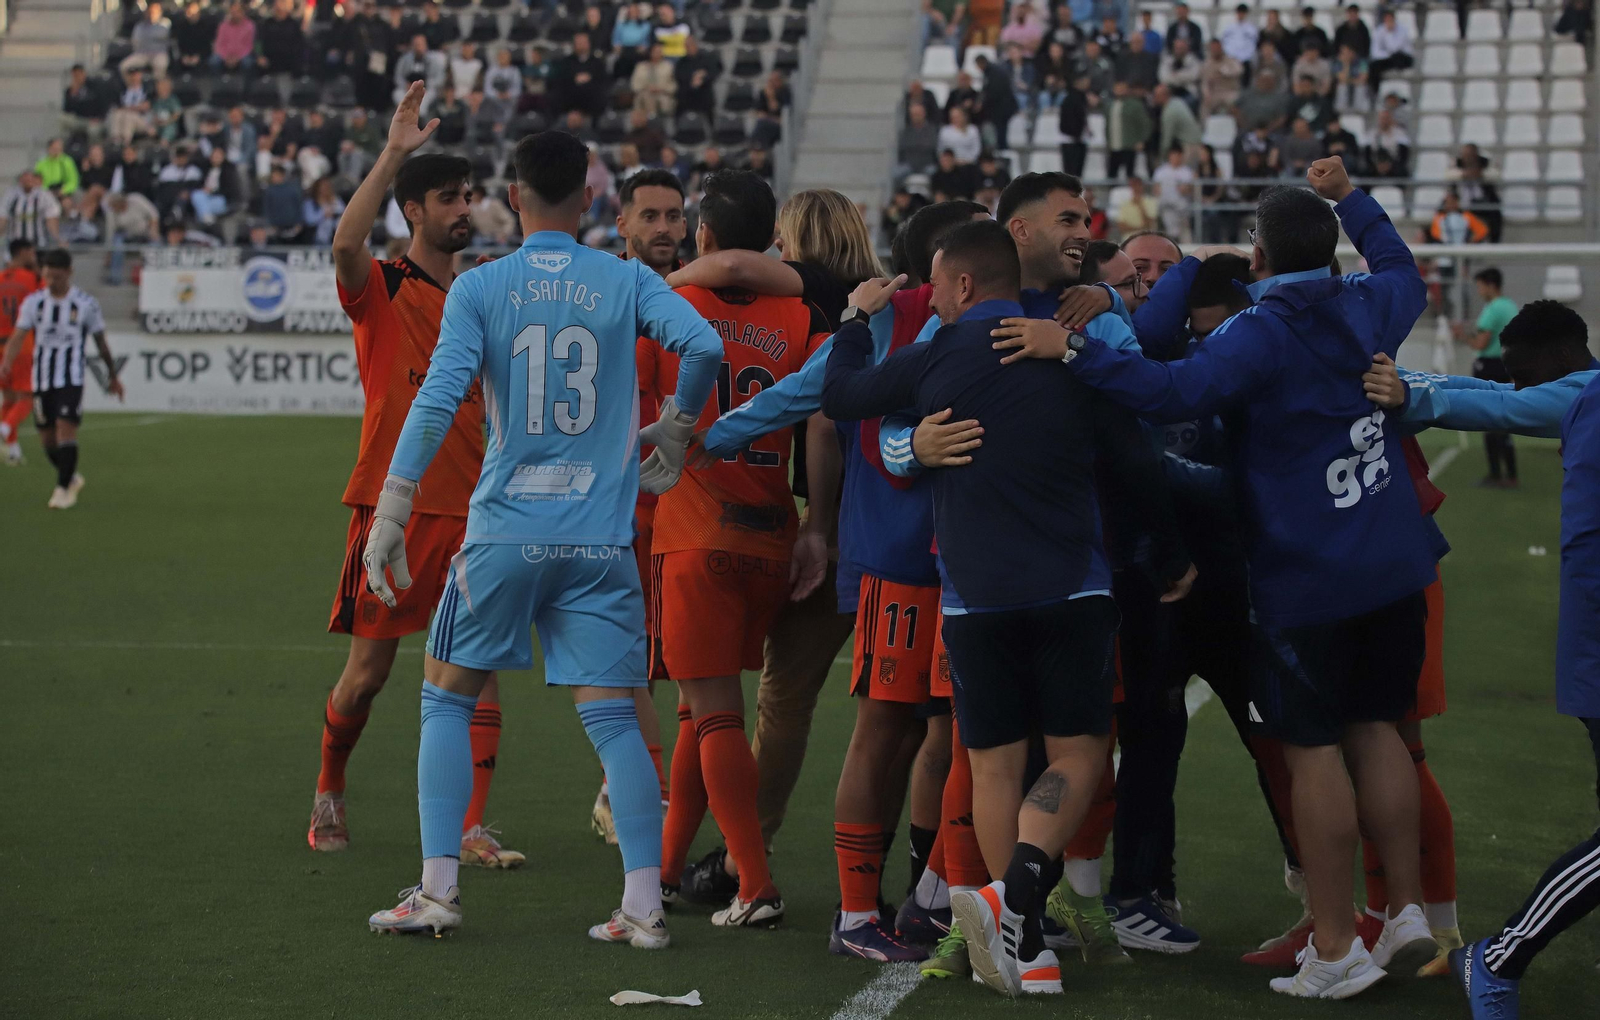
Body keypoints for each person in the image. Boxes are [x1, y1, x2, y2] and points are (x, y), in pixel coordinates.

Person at [990, 157, 1440, 999]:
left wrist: (1074, 346)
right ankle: (1408, 910)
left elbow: (1167, 392)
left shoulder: (1256, 332)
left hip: (1306, 575)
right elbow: (1401, 265)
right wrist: (1353, 198)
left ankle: (1338, 948)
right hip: (1391, 556)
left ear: (1258, 259)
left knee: (1312, 755)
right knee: (1380, 730)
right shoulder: (1375, 300)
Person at [361, 128, 722, 946]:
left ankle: (439, 891)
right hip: (598, 540)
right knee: (616, 723)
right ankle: (642, 906)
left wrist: (393, 509)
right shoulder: (625, 278)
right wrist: (676, 428)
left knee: (444, 696)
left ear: (513, 197)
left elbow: (438, 396)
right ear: (591, 200)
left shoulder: (481, 288)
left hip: (504, 533)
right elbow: (702, 343)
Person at [821, 219, 1191, 997]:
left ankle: (1021, 939)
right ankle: (1019, 896)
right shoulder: (1064, 349)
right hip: (1072, 591)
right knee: (1079, 755)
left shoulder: (935, 356)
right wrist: (1168, 550)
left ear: (959, 285)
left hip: (972, 601)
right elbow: (1137, 458)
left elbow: (843, 395)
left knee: (992, 767)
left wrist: (856, 320)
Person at [304, 84, 521, 872]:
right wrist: (394, 151)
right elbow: (342, 246)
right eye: (446, 197)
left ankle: (469, 826)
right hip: (394, 509)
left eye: (468, 194)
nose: (464, 207)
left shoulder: (484, 296)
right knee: (367, 674)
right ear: (412, 212)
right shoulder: (386, 290)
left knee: (480, 666)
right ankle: (330, 785)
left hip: (477, 510)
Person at [0, 248, 121, 508]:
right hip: (41, 379)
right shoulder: (34, 302)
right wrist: (6, 362)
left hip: (71, 378)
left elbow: (101, 343)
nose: (51, 282)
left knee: (66, 428)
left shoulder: (86, 304)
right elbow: (18, 336)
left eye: (57, 276)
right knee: (47, 439)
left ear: (69, 273)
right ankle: (71, 477)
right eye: (47, 276)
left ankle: (62, 489)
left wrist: (113, 376)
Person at [1454, 268, 1520, 488]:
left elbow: (1481, 343)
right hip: (1506, 365)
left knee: (1490, 421)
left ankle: (1495, 474)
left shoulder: (1494, 308)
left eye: (1480, 285)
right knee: (1503, 421)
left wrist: (1462, 336)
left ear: (1491, 285)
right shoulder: (1510, 305)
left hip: (1490, 367)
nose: (1479, 290)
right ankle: (1511, 473)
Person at [0, 240, 40, 465]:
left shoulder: (0, 278)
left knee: (8, 397)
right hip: (21, 341)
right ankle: (4, 428)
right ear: (23, 252)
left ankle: (13, 449)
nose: (34, 255)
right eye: (32, 251)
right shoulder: (31, 279)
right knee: (26, 396)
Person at [1, 171, 61, 248]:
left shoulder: (44, 195)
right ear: (20, 181)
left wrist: (57, 238)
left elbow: (51, 219)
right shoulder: (10, 195)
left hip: (38, 243)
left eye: (30, 180)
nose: (27, 182)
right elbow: (3, 218)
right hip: (14, 244)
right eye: (25, 180)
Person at [1150, 147, 1195, 241]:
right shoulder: (1161, 171)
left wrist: (1184, 189)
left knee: (1181, 227)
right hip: (1165, 204)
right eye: (1174, 155)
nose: (1176, 158)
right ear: (1169, 156)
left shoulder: (1187, 172)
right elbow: (1156, 189)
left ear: (1181, 156)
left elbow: (1190, 189)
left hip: (1181, 206)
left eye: (1178, 156)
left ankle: (1178, 239)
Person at [122, 2, 173, 80]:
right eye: (150, 12)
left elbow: (163, 35)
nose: (152, 14)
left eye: (155, 12)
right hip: (142, 54)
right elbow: (135, 41)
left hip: (159, 53)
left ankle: (157, 90)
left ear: (160, 12)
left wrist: (149, 36)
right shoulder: (140, 26)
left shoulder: (165, 23)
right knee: (124, 66)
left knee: (161, 65)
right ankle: (133, 90)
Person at [1368, 9, 1413, 94]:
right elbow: (1375, 51)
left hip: (1402, 57)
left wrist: (1390, 33)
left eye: (1390, 19)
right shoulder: (1379, 31)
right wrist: (1387, 54)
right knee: (1373, 66)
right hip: (1388, 58)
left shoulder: (1402, 30)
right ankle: (1374, 92)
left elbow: (1397, 47)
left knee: (1398, 57)